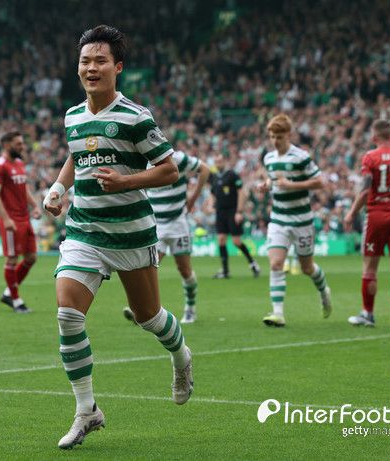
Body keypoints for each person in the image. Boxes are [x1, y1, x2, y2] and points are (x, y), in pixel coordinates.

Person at [42, 25, 193, 450]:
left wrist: (126, 182)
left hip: (130, 234)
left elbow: (169, 170)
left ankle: (181, 357)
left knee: (149, 318)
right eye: (85, 61)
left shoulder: (135, 116)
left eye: (100, 61)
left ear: (118, 67)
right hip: (84, 231)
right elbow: (76, 156)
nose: (91, 68)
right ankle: (86, 410)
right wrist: (58, 188)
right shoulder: (73, 116)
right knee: (68, 315)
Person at [257, 114, 332, 327]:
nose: (275, 141)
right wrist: (266, 185)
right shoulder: (269, 158)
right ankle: (278, 313)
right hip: (278, 219)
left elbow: (320, 182)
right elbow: (273, 180)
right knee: (276, 263)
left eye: (279, 136)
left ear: (289, 135)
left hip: (302, 221)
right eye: (272, 136)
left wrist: (293, 185)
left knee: (307, 268)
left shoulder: (301, 157)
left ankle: (324, 291)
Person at [344, 119, 390, 329]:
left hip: (376, 215)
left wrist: (351, 213)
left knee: (370, 268)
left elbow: (365, 191)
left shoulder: (370, 157)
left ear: (374, 136)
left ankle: (367, 314)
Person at [123, 150, 210, 324]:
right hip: (156, 225)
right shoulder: (142, 162)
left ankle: (190, 308)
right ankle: (142, 309)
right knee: (148, 267)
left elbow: (205, 169)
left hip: (178, 223)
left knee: (184, 270)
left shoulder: (177, 158)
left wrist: (193, 198)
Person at [0, 131, 41, 313]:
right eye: (18, 144)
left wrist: (34, 205)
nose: (22, 147)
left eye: (22, 143)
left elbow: (23, 188)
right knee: (12, 259)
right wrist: (5, 219)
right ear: (6, 145)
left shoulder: (19, 163)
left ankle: (8, 293)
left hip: (24, 218)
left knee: (31, 257)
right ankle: (16, 300)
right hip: (11, 220)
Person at [210, 153, 260, 279]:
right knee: (221, 239)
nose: (218, 164)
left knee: (236, 241)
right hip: (220, 212)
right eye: (216, 162)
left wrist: (239, 211)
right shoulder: (214, 177)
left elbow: (241, 192)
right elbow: (213, 193)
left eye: (220, 161)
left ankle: (252, 263)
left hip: (232, 211)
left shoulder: (232, 175)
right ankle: (225, 270)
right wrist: (210, 205)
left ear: (225, 161)